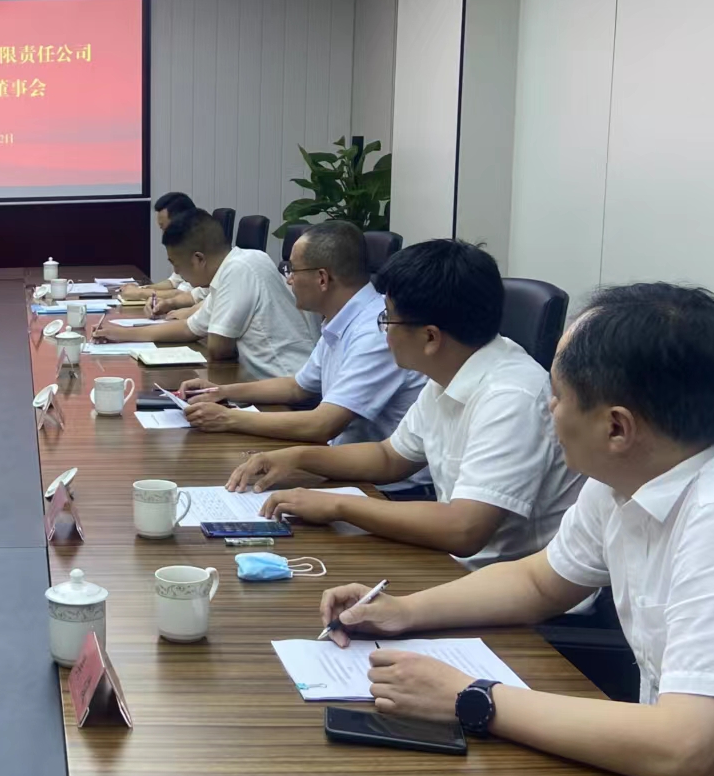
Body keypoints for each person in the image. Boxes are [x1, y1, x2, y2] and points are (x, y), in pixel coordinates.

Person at [319, 283, 714, 776]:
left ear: (617, 427)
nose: (547, 408)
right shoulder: (636, 471)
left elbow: (687, 749)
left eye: (556, 395)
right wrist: (402, 611)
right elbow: (540, 580)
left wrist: (470, 697)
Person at [229, 238, 581, 568]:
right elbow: (390, 457)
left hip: (504, 589)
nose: (384, 331)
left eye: (388, 318)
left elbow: (464, 529)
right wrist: (298, 458)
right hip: (453, 566)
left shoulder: (511, 397)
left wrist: (337, 505)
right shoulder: (449, 372)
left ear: (430, 337)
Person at [180, 220, 427, 450]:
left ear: (322, 278)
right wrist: (221, 391)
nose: (288, 280)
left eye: (293, 270)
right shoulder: (342, 319)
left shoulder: (376, 331)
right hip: (342, 458)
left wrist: (228, 418)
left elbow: (322, 425)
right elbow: (297, 386)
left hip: (380, 478)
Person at [107, 207, 317, 379]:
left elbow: (218, 348)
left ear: (199, 259)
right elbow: (189, 328)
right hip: (263, 381)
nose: (177, 272)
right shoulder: (230, 269)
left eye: (177, 264)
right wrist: (122, 334)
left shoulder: (239, 268)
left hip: (286, 384)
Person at [119, 191, 204, 313]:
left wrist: (139, 293)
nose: (164, 234)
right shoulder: (184, 246)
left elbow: (186, 294)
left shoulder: (200, 248)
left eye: (165, 228)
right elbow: (173, 282)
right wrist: (142, 288)